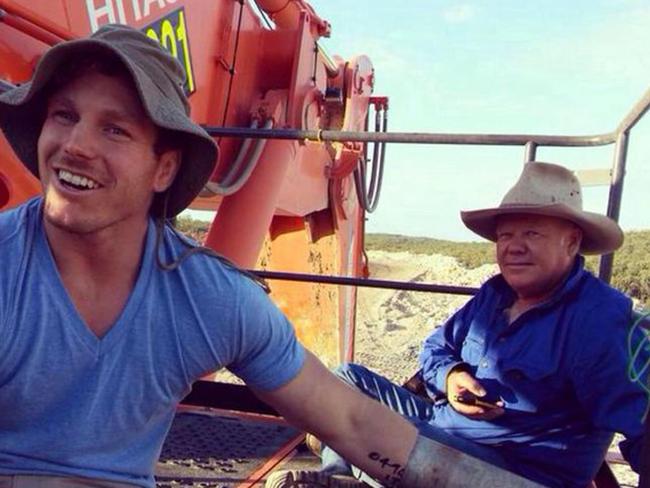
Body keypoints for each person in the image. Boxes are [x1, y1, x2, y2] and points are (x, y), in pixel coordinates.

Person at [0, 24, 444, 488]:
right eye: (64, 116)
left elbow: (348, 420)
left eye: (114, 129)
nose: (74, 146)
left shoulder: (208, 298)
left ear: (165, 168)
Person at [271, 162, 650, 488]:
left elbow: (642, 425)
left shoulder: (600, 321)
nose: (513, 246)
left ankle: (350, 464)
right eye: (505, 235)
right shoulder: (495, 295)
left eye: (532, 233)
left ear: (571, 243)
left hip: (511, 468)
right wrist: (451, 377)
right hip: (442, 427)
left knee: (367, 425)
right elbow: (436, 347)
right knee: (344, 380)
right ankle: (338, 476)